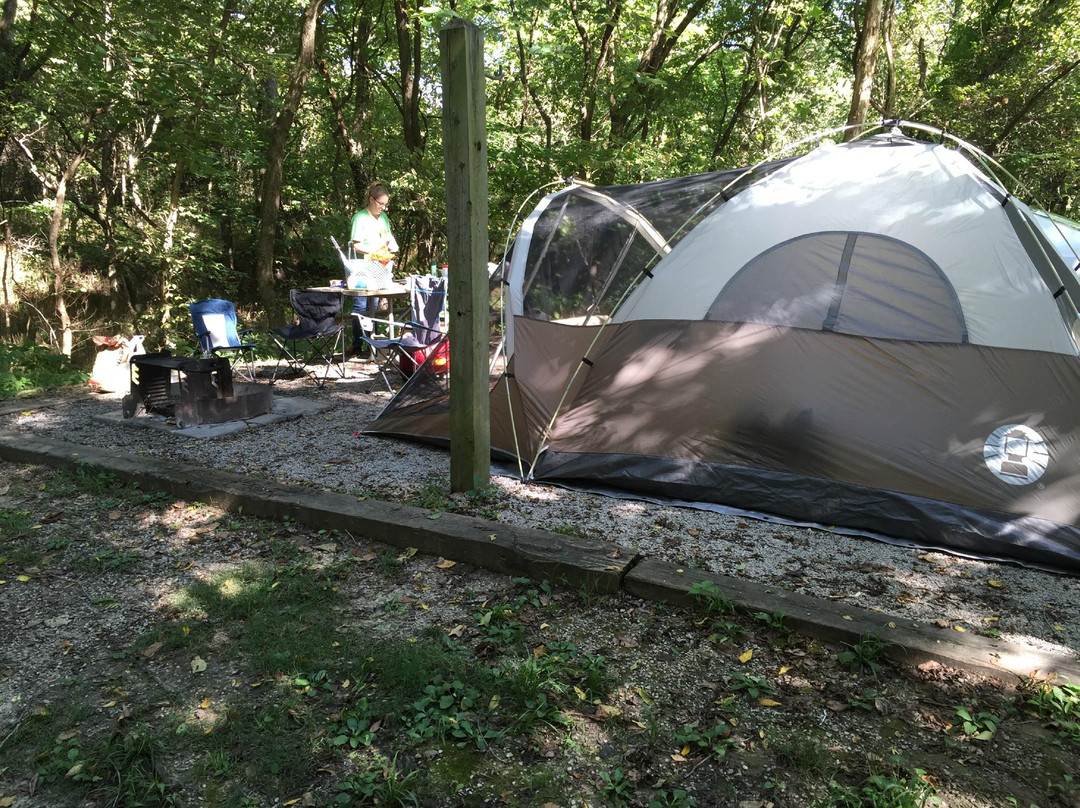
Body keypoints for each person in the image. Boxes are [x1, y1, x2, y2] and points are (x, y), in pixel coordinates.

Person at [347, 182, 398, 357]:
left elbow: (387, 237)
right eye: (380, 203)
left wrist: (391, 245)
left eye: (385, 204)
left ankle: (373, 345)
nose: (383, 207)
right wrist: (375, 251)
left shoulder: (383, 218)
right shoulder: (360, 218)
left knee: (374, 306)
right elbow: (356, 245)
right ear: (371, 199)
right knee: (361, 305)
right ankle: (357, 344)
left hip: (381, 266)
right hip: (365, 266)